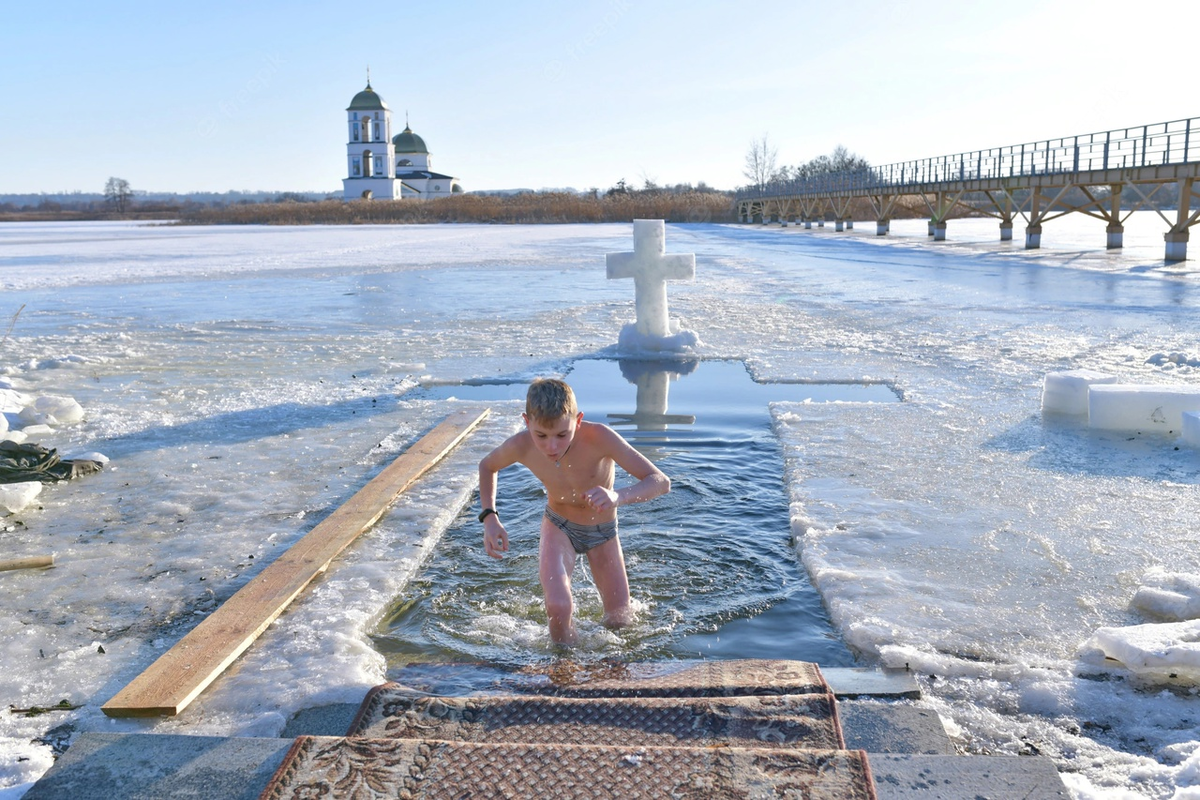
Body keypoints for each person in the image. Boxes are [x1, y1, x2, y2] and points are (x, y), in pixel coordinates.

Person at [478, 377, 670, 645]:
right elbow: (487, 466)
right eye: (541, 436)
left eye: (562, 435)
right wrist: (490, 517)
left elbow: (660, 481)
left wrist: (617, 496)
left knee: (621, 621)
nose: (551, 447)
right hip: (559, 527)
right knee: (558, 607)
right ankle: (564, 670)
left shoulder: (599, 437)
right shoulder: (521, 445)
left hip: (603, 533)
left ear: (577, 421)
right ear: (527, 422)